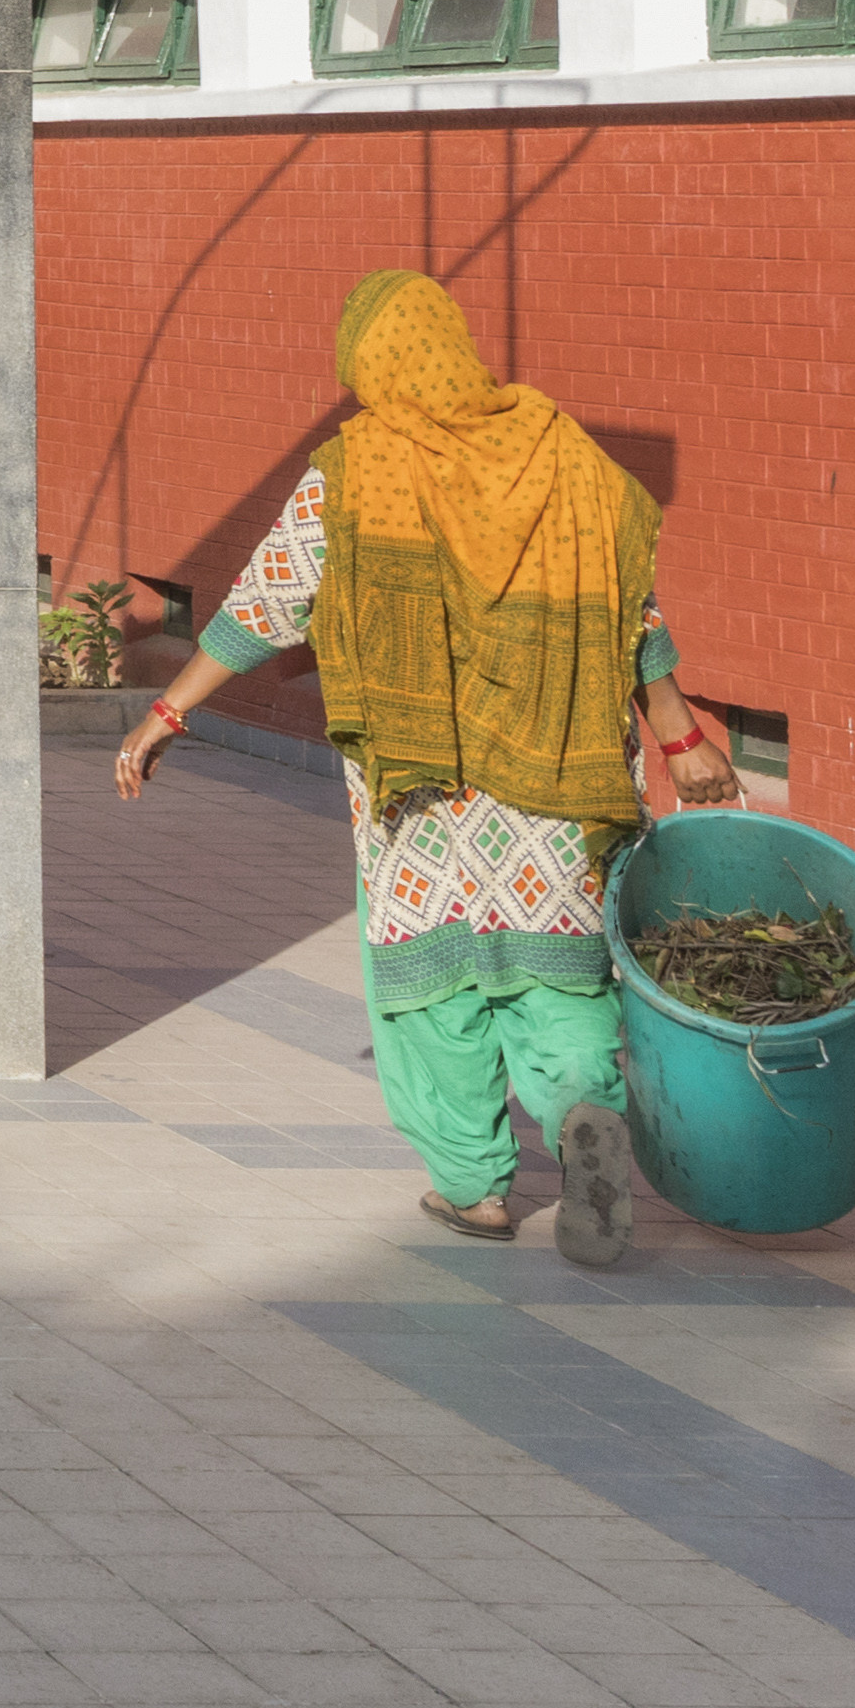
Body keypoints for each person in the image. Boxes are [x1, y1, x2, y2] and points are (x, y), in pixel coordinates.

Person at [114, 271, 735, 1263]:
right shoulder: (559, 453)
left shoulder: (353, 467)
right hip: (556, 784)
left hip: (422, 797)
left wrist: (164, 712)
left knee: (430, 990)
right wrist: (677, 735)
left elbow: (267, 602)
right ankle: (586, 1122)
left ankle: (472, 1190)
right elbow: (627, 608)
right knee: (561, 981)